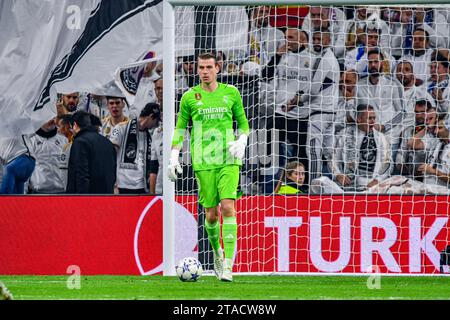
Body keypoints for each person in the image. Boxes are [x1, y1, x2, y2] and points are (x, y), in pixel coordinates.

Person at [168, 52, 250, 282]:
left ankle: (229, 267)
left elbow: (244, 124)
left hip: (228, 159)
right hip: (203, 162)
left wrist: (242, 141)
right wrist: (174, 156)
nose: (204, 71)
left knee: (228, 207)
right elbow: (180, 128)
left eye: (208, 67)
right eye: (201, 67)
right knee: (212, 215)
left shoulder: (231, 93)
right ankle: (217, 253)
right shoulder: (189, 97)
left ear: (218, 68)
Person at [310, 104, 391, 194]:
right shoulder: (344, 134)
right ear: (359, 120)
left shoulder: (381, 138)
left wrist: (377, 180)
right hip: (346, 187)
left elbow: (387, 164)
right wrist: (338, 175)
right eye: (369, 118)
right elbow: (332, 158)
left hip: (372, 187)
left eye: (374, 118)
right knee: (320, 181)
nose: (373, 121)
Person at [110, 102, 161, 194]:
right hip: (122, 185)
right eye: (156, 121)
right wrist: (113, 184)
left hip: (143, 186)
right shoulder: (121, 128)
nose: (156, 124)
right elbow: (110, 156)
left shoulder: (151, 134)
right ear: (151, 116)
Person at [66, 111, 117, 194]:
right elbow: (113, 172)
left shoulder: (80, 142)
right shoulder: (107, 142)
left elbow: (81, 174)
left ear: (75, 125)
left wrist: (80, 200)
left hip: (88, 199)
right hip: (107, 196)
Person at [26, 117, 68, 194]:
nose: (51, 120)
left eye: (53, 117)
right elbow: (25, 171)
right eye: (47, 117)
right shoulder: (30, 141)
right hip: (37, 193)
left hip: (61, 192)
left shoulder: (64, 140)